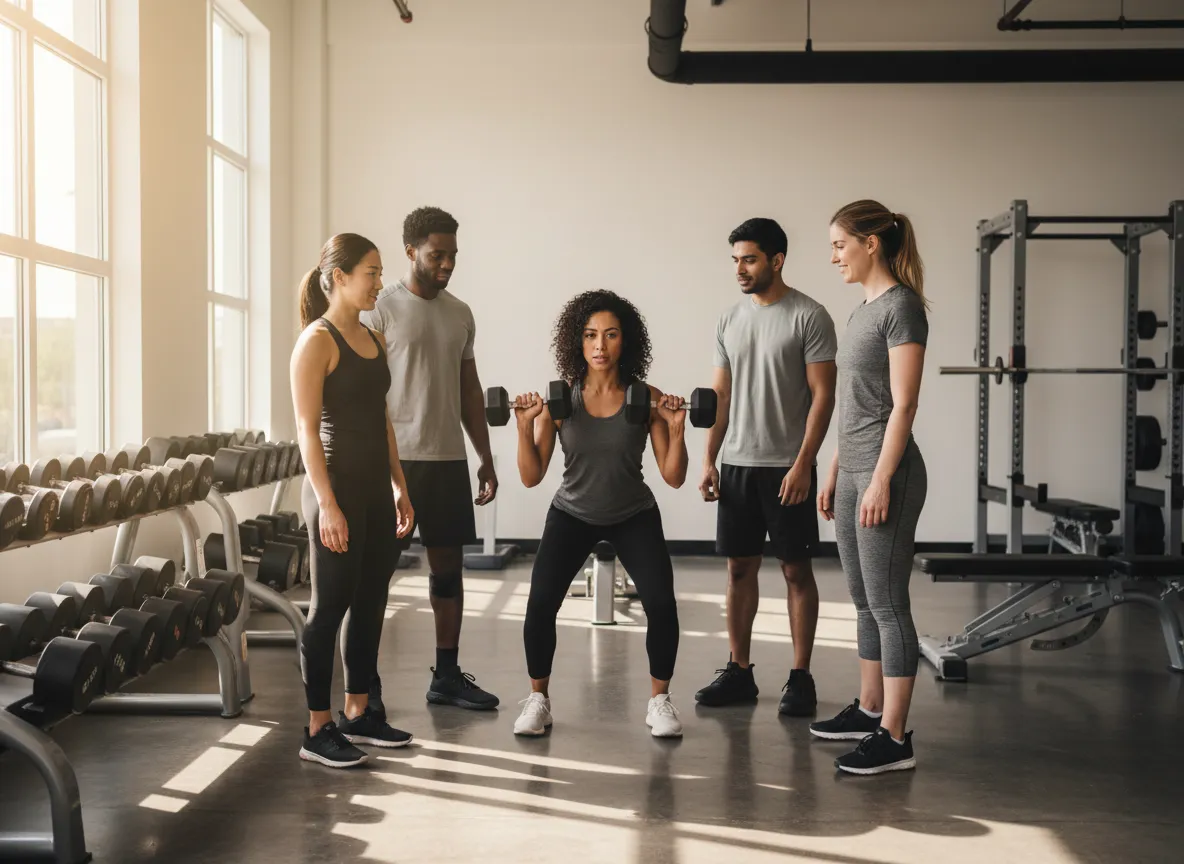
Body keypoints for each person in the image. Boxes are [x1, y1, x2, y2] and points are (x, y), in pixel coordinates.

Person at [510, 290, 688, 738]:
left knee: (662, 606)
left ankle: (659, 701)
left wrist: (678, 430)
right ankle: (538, 700)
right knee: (539, 606)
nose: (600, 346)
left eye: (610, 335)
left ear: (625, 341)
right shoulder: (561, 400)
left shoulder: (646, 397)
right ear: (578, 342)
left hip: (633, 513)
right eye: (590, 336)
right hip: (572, 512)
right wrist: (524, 427)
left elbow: (673, 476)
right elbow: (532, 477)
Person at [695, 218, 838, 717]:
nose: (740, 268)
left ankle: (800, 676)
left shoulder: (809, 316)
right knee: (739, 569)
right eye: (735, 259)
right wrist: (709, 459)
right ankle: (740, 670)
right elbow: (721, 396)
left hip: (786, 468)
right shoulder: (729, 319)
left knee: (796, 571)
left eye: (749, 258)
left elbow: (823, 397)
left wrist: (804, 464)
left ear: (776, 260)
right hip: (736, 464)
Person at [360, 206, 499, 713]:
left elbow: (469, 390)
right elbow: (365, 395)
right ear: (411, 251)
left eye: (453, 256)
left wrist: (484, 455)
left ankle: (446, 676)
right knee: (376, 579)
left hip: (446, 459)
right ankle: (364, 687)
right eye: (437, 255)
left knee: (448, 573)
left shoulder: (460, 313)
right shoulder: (381, 311)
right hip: (394, 461)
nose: (446, 264)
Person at [290, 233, 417, 768]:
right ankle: (317, 727)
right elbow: (304, 428)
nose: (379, 282)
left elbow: (383, 420)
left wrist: (399, 485)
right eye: (370, 271)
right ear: (338, 277)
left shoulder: (373, 339)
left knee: (369, 603)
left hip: (373, 490)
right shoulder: (316, 342)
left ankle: (358, 712)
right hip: (335, 489)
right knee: (329, 609)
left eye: (380, 270)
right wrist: (328, 504)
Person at [811, 199, 928, 776]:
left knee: (888, 604)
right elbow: (854, 407)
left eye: (839, 244)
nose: (833, 255)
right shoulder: (862, 310)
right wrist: (837, 468)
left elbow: (903, 404)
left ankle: (895, 737)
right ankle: (869, 707)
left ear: (870, 244)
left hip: (890, 472)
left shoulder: (902, 308)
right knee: (862, 600)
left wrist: (880, 478)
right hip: (855, 469)